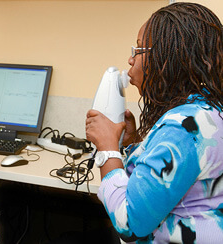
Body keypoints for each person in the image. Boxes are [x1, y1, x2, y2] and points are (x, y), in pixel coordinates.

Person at [85, 2, 223, 243]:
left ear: (167, 58)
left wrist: (108, 150)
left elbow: (129, 224)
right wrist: (133, 144)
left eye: (138, 50)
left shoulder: (181, 128)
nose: (130, 60)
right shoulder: (209, 111)